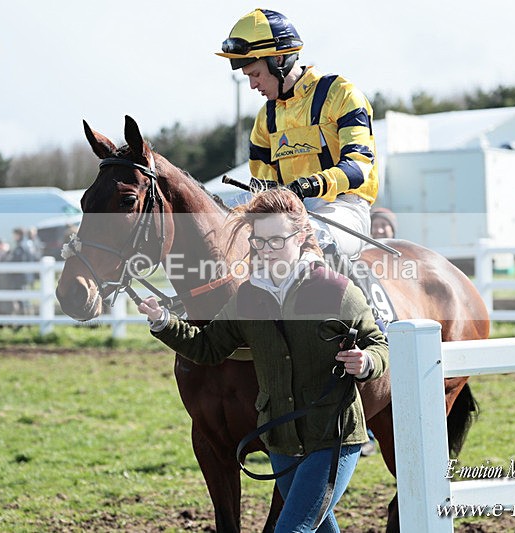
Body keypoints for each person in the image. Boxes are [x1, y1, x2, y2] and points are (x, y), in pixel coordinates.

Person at [138, 189, 388, 532]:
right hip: (282, 442)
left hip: (332, 439)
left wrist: (366, 362)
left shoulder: (336, 290)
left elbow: (379, 343)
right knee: (319, 527)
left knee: (292, 529)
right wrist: (164, 322)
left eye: (277, 240)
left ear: (300, 237)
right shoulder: (248, 297)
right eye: (260, 241)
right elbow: (208, 348)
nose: (266, 250)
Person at [217, 8, 379, 261]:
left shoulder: (342, 94)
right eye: (247, 77)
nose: (252, 85)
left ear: (279, 61)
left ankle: (353, 301)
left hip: (343, 208)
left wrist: (307, 185)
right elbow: (263, 185)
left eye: (256, 74)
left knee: (303, 242)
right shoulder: (264, 119)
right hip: (287, 217)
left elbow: (358, 169)